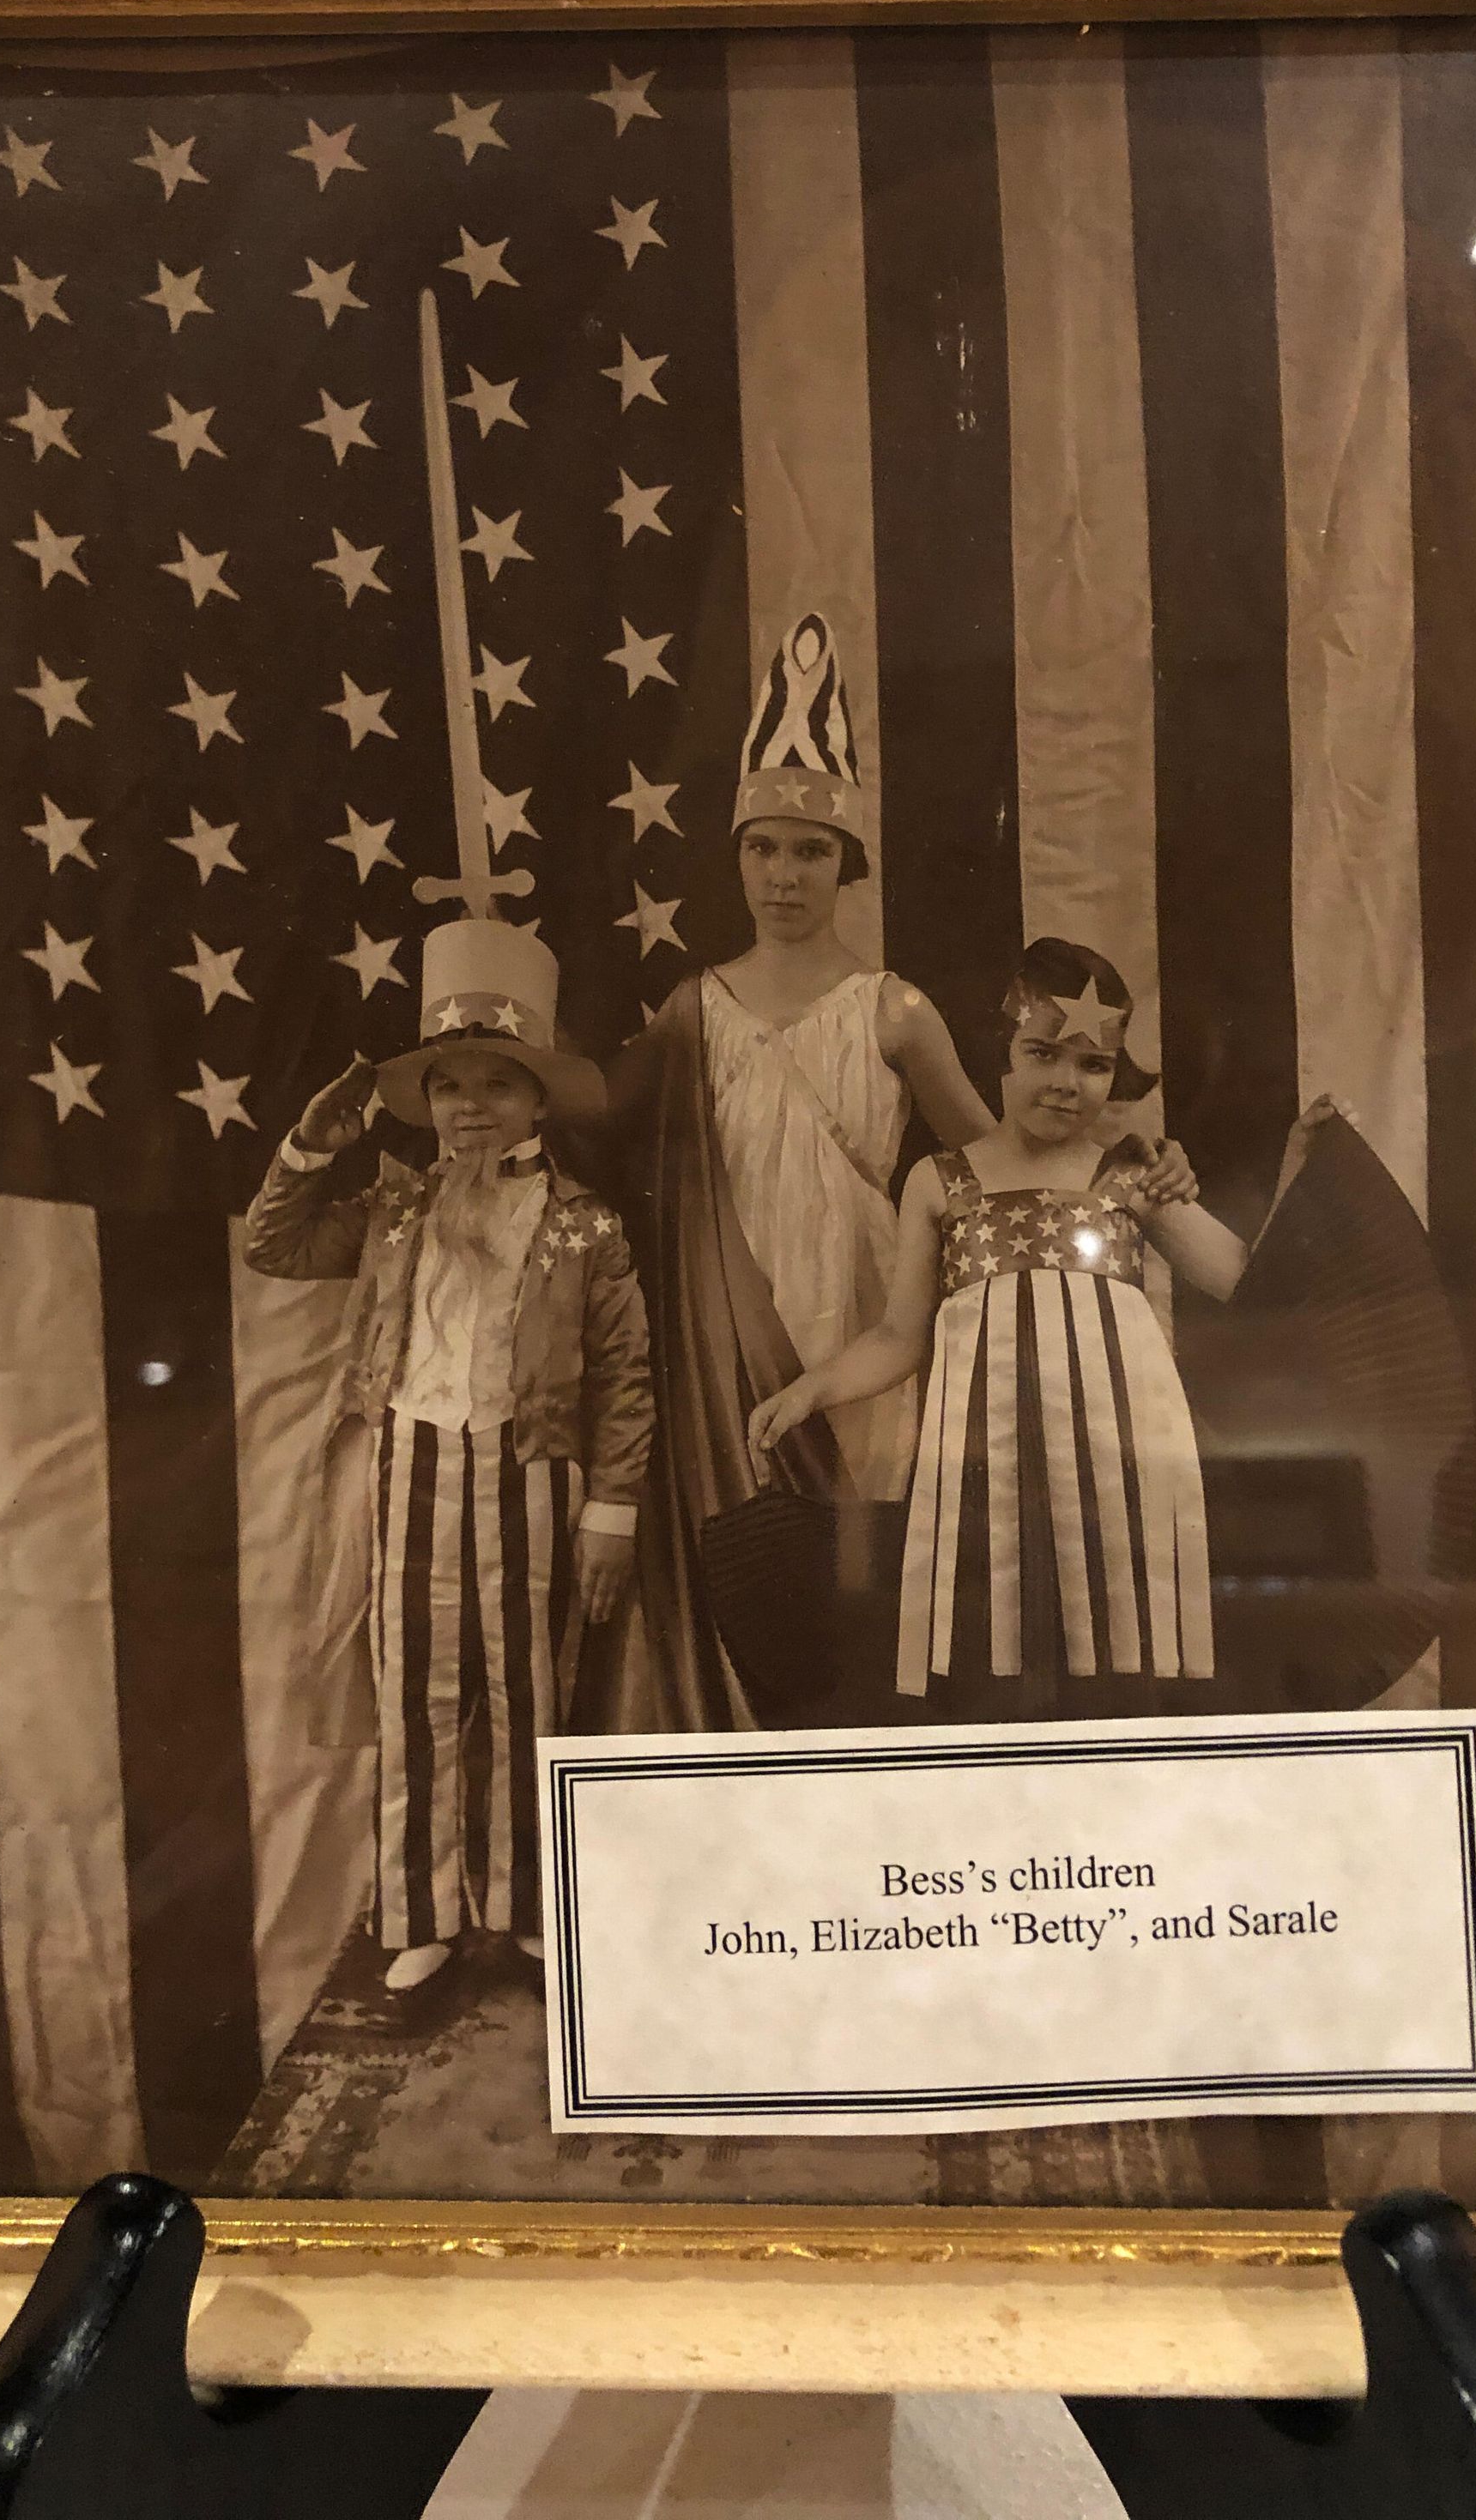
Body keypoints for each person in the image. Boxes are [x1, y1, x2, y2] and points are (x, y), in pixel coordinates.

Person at [750, 935, 1338, 1717]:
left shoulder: (1133, 1176)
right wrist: (809, 1391)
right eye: (1042, 1053)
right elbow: (898, 1338)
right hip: (984, 1482)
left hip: (1117, 1483)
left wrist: (1299, 1163)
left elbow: (1243, 1280)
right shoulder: (940, 1182)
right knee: (993, 1670)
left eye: (1093, 1065)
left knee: (1113, 1670)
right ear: (1003, 1052)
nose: (1066, 1082)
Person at [245, 918, 652, 1994]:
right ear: (425, 1102)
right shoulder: (395, 1209)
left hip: (531, 1471)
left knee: (529, 1690)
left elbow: (624, 1374)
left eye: (498, 1083)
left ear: (539, 1100)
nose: (472, 1106)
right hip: (412, 1464)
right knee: (414, 1696)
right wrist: (309, 1148)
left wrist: (612, 1505)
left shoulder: (583, 1226)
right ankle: (418, 1915)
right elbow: (272, 1243)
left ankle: (526, 1904)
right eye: (450, 1085)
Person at [602, 610, 992, 1728]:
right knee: (747, 1581)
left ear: (846, 864)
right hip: (722, 1337)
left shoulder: (893, 1010)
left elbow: (988, 1167)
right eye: (763, 847)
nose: (784, 875)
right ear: (736, 856)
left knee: (853, 1586)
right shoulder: (692, 1012)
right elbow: (601, 1135)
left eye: (811, 851)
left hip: (860, 1326)